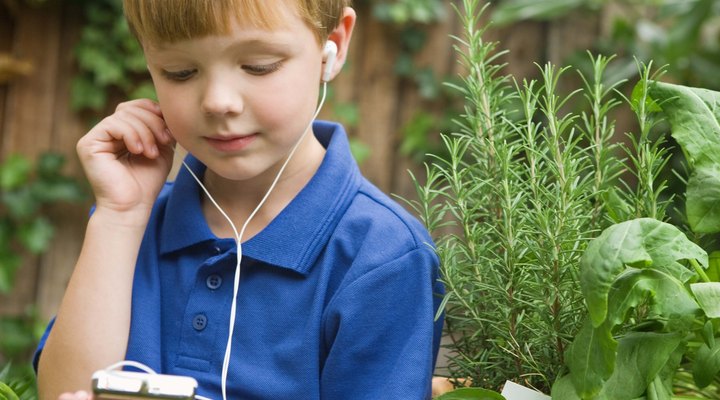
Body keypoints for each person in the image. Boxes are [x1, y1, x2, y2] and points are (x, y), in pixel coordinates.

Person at [34, 1, 444, 399]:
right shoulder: (132, 224)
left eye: (258, 66)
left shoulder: (383, 256)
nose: (218, 102)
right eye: (180, 72)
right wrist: (118, 218)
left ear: (331, 47)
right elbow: (63, 392)